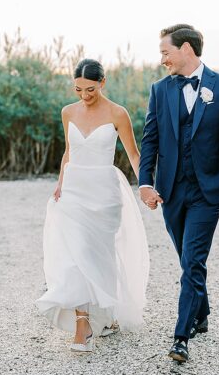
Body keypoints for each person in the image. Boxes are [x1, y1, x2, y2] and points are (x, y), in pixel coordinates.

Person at [137, 24, 219, 363]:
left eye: (165, 53)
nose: (162, 60)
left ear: (186, 49)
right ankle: (202, 313)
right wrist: (145, 183)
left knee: (194, 260)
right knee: (188, 261)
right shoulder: (160, 90)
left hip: (207, 191)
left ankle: (181, 337)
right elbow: (150, 139)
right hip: (171, 190)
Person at [37, 58, 150, 352]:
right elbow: (69, 152)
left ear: (102, 82)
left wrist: (148, 187)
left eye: (90, 89)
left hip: (103, 192)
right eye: (78, 90)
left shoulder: (117, 113)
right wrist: (61, 183)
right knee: (75, 254)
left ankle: (108, 315)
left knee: (100, 255)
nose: (84, 96)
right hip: (73, 190)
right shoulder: (68, 112)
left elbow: (134, 155)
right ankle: (82, 326)